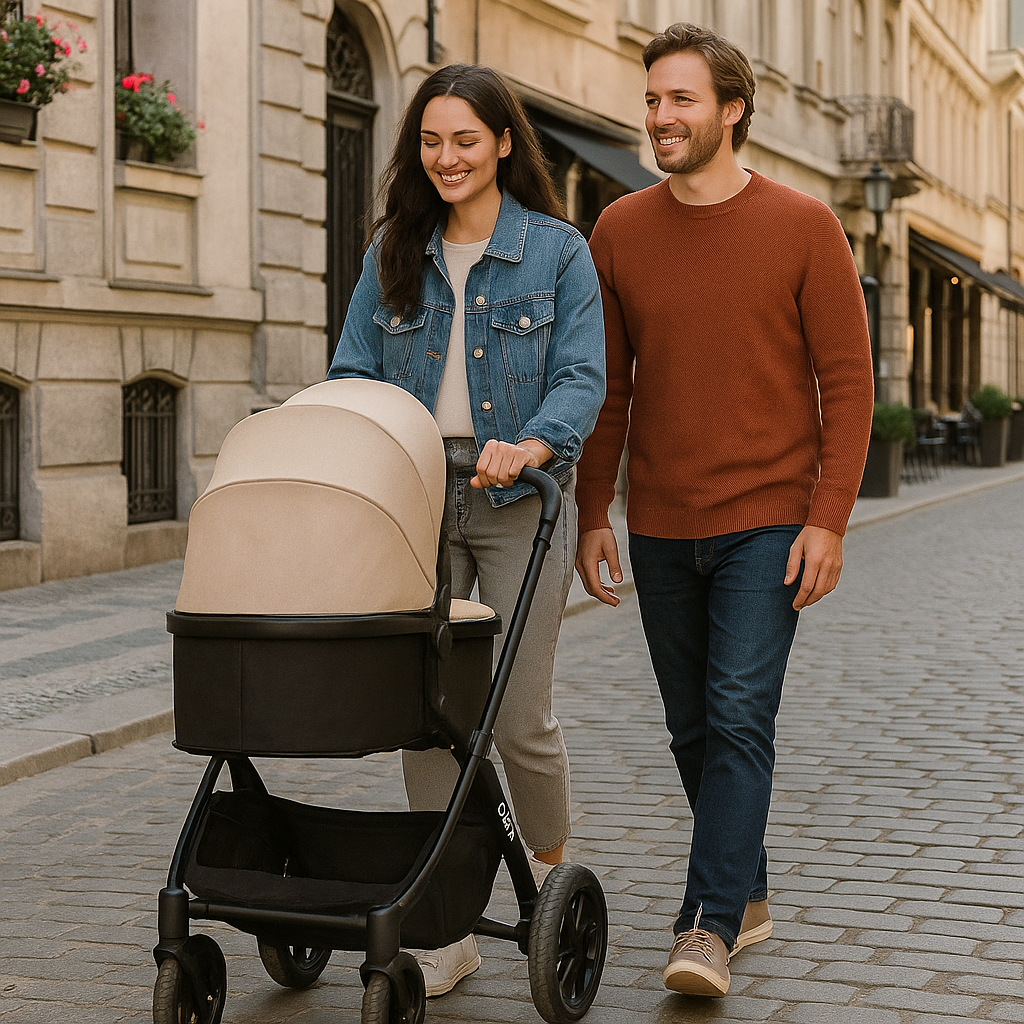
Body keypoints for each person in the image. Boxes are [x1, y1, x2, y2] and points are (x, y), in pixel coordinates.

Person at [574, 23, 873, 997]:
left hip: (769, 520)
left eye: (681, 100)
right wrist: (590, 513)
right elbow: (610, 388)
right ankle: (744, 892)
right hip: (661, 519)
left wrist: (826, 517)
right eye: (653, 99)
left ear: (731, 109)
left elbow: (848, 381)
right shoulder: (618, 230)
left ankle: (704, 924)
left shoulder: (803, 226)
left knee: (740, 715)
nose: (660, 116)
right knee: (692, 729)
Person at [328, 63, 605, 996]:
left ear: (501, 146)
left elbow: (581, 377)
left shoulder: (558, 252)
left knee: (518, 715)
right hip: (416, 498)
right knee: (431, 717)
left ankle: (553, 883)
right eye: (431, 141)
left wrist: (531, 444)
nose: (446, 158)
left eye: (465, 140)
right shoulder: (393, 251)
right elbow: (354, 367)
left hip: (516, 500)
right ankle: (447, 926)